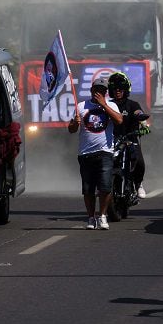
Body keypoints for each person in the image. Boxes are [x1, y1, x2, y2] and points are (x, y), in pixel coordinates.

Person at [68, 76, 123, 230]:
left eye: (102, 91)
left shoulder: (111, 105)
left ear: (106, 93)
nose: (99, 93)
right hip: (86, 153)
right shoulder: (81, 106)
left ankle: (103, 215)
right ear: (91, 90)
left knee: (105, 187)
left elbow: (119, 120)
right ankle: (91, 217)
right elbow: (71, 129)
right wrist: (73, 124)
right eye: (96, 90)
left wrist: (104, 105)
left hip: (105, 151)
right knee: (88, 189)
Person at [107, 71, 148, 199]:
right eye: (114, 89)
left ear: (126, 90)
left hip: (130, 139)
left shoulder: (132, 104)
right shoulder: (108, 105)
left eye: (120, 88)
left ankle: (138, 183)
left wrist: (142, 122)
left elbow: (138, 113)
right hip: (112, 141)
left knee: (139, 162)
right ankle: (103, 186)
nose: (117, 91)